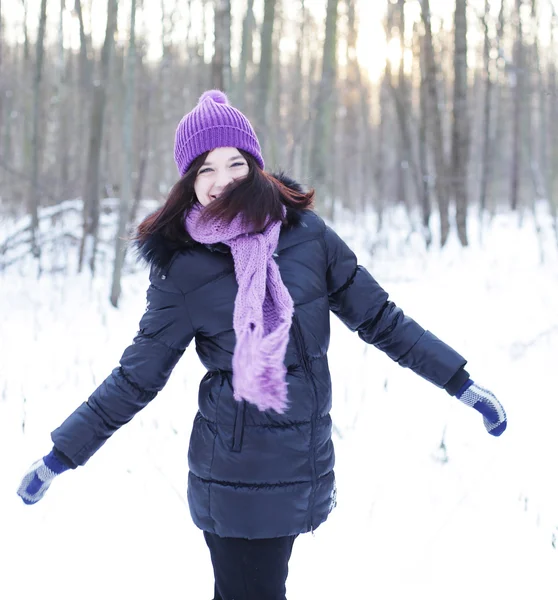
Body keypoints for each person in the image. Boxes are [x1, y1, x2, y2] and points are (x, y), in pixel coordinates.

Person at [17, 90, 507, 600]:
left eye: (235, 163)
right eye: (205, 169)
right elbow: (136, 377)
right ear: (188, 181)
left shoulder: (306, 235)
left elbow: (380, 319)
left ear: (255, 166)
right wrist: (60, 456)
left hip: (304, 463)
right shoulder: (184, 267)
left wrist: (460, 382)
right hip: (236, 481)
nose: (222, 179)